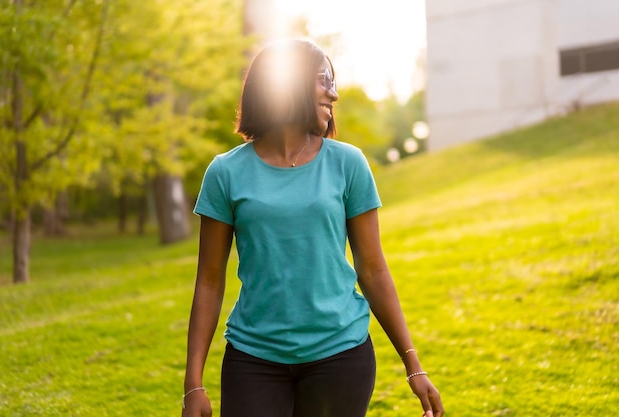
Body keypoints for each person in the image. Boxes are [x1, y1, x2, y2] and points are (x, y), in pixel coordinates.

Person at [182, 39, 444, 417]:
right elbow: (209, 280)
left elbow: (372, 269)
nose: (333, 93)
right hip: (254, 358)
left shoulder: (348, 164)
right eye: (324, 80)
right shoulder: (225, 173)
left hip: (341, 355)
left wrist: (413, 365)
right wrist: (193, 384)